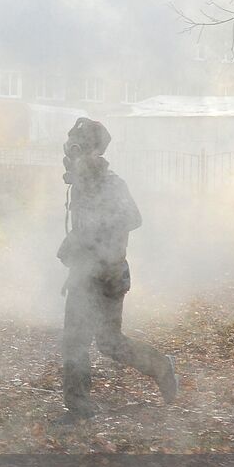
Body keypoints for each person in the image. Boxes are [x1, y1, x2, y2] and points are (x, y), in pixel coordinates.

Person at [56, 117, 176, 423]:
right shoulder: (79, 186)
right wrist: (74, 244)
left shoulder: (113, 184)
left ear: (97, 151)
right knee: (73, 339)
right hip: (84, 273)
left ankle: (161, 367)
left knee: (109, 343)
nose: (75, 154)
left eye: (82, 147)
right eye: (73, 147)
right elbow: (83, 228)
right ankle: (78, 404)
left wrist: (92, 231)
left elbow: (133, 218)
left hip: (110, 273)